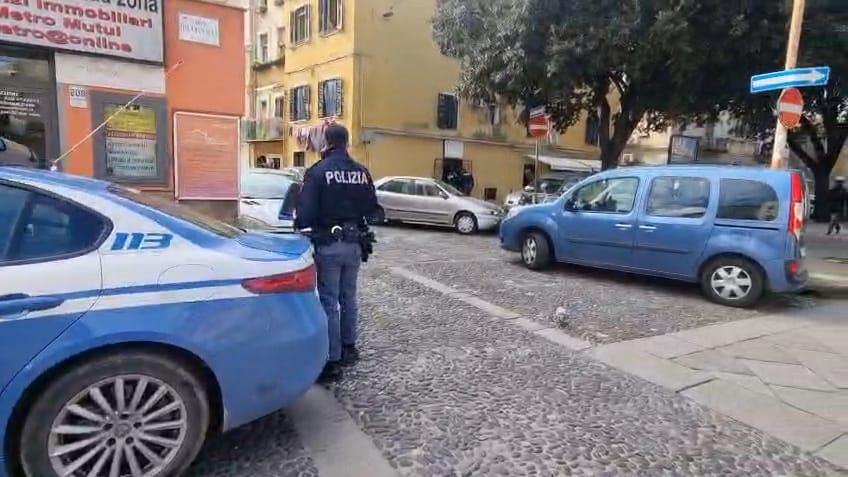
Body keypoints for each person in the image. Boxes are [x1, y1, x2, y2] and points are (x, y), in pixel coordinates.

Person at [295, 124, 378, 381]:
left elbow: (305, 214)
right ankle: (350, 348)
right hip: (354, 243)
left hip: (329, 244)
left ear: (327, 143)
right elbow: (373, 209)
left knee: (329, 300)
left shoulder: (318, 172)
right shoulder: (361, 172)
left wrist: (301, 222)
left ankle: (332, 360)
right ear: (346, 142)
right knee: (348, 296)